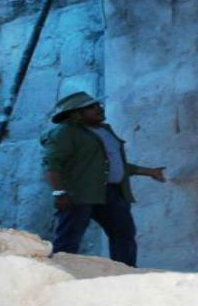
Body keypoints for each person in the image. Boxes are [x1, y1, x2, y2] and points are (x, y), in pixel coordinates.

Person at [40, 91, 165, 267]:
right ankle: (58, 274)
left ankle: (124, 275)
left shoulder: (104, 131)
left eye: (98, 105)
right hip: (79, 193)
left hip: (112, 192)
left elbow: (112, 165)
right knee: (70, 237)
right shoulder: (65, 133)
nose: (98, 108)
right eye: (91, 107)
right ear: (76, 113)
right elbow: (51, 164)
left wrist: (150, 172)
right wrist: (59, 192)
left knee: (124, 235)